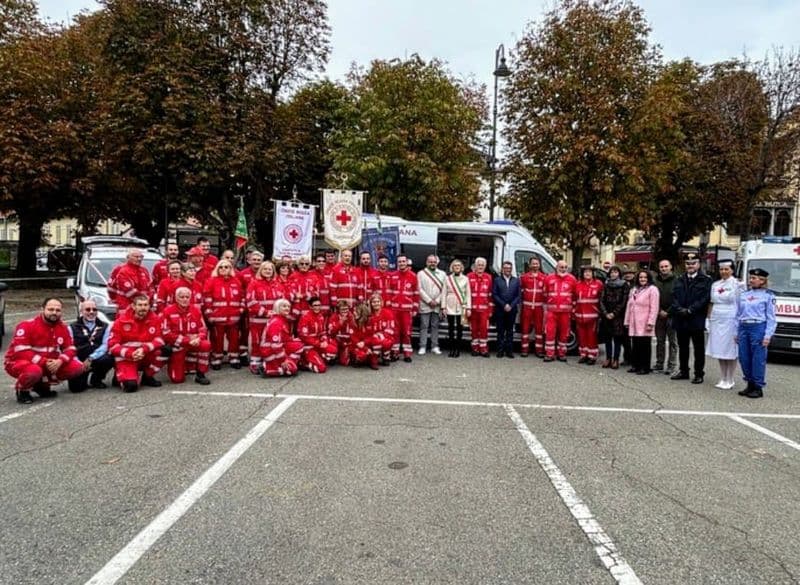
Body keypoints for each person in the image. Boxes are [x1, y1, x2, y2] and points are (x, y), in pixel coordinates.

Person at [4, 298, 84, 403]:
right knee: (34, 371)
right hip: (19, 362)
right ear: (42, 309)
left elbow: (70, 348)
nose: (54, 312)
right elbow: (22, 351)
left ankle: (41, 385)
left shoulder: (62, 327)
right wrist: (44, 362)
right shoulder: (26, 326)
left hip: (47, 363)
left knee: (77, 367)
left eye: (58, 310)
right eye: (51, 309)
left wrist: (60, 361)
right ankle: (22, 390)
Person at [108, 295, 165, 392]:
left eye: (146, 305)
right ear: (133, 306)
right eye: (140, 305)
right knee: (131, 387)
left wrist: (144, 349)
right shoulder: (121, 321)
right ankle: (119, 375)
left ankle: (147, 376)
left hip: (145, 354)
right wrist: (130, 354)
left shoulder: (155, 319)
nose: (143, 308)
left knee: (165, 350)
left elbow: (160, 339)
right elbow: (112, 345)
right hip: (127, 358)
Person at [735, 268, 777, 399]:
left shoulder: (768, 296)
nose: (751, 280)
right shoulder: (744, 295)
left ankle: (758, 387)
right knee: (744, 357)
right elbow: (738, 314)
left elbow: (771, 318)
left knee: (758, 359)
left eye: (754, 278)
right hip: (744, 326)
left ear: (762, 281)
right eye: (751, 278)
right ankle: (750, 384)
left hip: (758, 327)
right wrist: (736, 331)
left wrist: (767, 335)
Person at [670, 253, 712, 384]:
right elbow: (674, 297)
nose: (690, 266)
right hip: (681, 318)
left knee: (698, 348)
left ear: (698, 264)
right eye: (688, 263)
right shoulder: (679, 279)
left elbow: (705, 298)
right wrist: (679, 309)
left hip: (696, 318)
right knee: (683, 347)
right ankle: (684, 371)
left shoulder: (706, 280)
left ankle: (699, 373)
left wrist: (690, 310)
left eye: (693, 263)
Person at [161, 287, 211, 385]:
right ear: (176, 298)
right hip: (177, 345)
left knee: (206, 344)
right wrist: (187, 340)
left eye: (187, 297)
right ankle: (177, 363)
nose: (185, 299)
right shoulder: (168, 311)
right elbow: (166, 333)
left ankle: (200, 374)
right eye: (182, 297)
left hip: (193, 342)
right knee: (177, 380)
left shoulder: (196, 310)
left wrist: (198, 338)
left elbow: (203, 329)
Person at [706, 259, 742, 389]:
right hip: (717, 317)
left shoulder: (737, 284)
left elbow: (740, 304)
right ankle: (723, 377)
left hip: (730, 318)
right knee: (719, 349)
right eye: (721, 269)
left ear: (732, 270)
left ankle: (730, 378)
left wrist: (739, 322)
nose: (724, 271)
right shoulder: (715, 284)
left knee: (730, 349)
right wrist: (708, 318)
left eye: (726, 269)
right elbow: (712, 302)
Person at [246, 261, 288, 374]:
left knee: (271, 341)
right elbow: (251, 301)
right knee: (257, 340)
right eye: (265, 269)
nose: (268, 271)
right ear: (261, 270)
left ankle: (268, 361)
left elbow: (282, 301)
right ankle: (255, 361)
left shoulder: (278, 284)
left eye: (270, 269)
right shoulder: (254, 283)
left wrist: (278, 313)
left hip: (274, 320)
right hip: (258, 319)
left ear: (273, 271)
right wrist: (265, 312)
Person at [202, 259, 245, 370]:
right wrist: (209, 315)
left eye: (226, 267)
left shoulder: (236, 281)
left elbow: (242, 297)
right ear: (217, 268)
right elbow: (207, 300)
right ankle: (217, 359)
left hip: (234, 317)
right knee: (217, 340)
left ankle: (234, 358)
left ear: (231, 269)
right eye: (221, 267)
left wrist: (241, 309)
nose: (223, 269)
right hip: (218, 318)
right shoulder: (211, 281)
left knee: (234, 339)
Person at [68, 299, 114, 393]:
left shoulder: (105, 326)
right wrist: (78, 363)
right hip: (79, 360)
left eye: (94, 309)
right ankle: (83, 377)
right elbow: (69, 347)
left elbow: (105, 345)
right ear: (81, 311)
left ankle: (96, 379)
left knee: (109, 357)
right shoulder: (71, 327)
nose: (91, 312)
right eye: (88, 309)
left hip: (96, 358)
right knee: (76, 389)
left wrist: (91, 358)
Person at [624, 270, 660, 375]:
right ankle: (636, 365)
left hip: (645, 322)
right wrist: (627, 321)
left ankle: (645, 367)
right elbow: (629, 306)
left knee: (644, 345)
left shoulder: (653, 289)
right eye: (640, 277)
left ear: (649, 278)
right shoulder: (634, 289)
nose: (642, 279)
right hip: (634, 321)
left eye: (645, 277)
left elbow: (654, 307)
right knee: (635, 344)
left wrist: (651, 322)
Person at [543, 260, 577, 362]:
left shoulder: (572, 279)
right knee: (550, 333)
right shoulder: (549, 278)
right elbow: (545, 294)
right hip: (552, 311)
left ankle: (561, 354)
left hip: (565, 312)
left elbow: (575, 295)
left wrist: (573, 309)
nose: (563, 269)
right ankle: (549, 354)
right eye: (561, 267)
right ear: (556, 267)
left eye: (565, 267)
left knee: (564, 333)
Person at [260, 299, 303, 377]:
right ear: (277, 308)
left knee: (299, 345)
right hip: (270, 351)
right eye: (284, 306)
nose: (287, 308)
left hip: (274, 349)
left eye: (288, 306)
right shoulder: (277, 322)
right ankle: (268, 368)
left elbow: (284, 338)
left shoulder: (281, 319)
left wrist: (292, 340)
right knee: (291, 370)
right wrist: (283, 360)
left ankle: (284, 365)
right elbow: (275, 345)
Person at [388, 255, 418, 362]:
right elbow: (389, 292)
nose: (401, 263)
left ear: (406, 262)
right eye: (399, 261)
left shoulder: (413, 276)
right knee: (395, 332)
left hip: (407, 310)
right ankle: (395, 353)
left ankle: (407, 353)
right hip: (394, 309)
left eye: (403, 261)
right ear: (397, 263)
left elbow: (416, 293)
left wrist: (415, 308)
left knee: (407, 332)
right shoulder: (393, 275)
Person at [599, 266, 630, 369]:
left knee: (617, 339)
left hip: (618, 316)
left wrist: (614, 313)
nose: (613, 274)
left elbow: (624, 301)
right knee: (607, 338)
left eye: (615, 272)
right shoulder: (606, 285)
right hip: (606, 315)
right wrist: (605, 313)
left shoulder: (624, 285)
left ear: (619, 274)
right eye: (611, 272)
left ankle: (616, 359)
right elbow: (601, 300)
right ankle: (608, 358)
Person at [297, 297, 337, 372]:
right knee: (321, 368)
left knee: (333, 350)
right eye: (315, 305)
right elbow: (304, 337)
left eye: (319, 305)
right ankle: (303, 362)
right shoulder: (305, 317)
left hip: (318, 345)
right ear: (310, 306)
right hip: (309, 346)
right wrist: (318, 344)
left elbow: (323, 332)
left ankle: (317, 358)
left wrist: (324, 340)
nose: (317, 307)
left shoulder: (320, 316)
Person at [574, 266, 603, 365]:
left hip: (592, 316)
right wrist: (574, 311)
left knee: (592, 337)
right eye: (585, 272)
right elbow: (574, 299)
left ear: (593, 273)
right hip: (579, 315)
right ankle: (583, 355)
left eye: (589, 272)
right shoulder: (578, 284)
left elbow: (601, 300)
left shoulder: (598, 284)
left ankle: (592, 356)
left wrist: (600, 313)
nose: (587, 274)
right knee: (582, 336)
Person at [417, 255, 446, 355]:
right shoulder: (421, 273)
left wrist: (437, 301)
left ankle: (434, 346)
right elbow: (419, 289)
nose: (432, 263)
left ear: (437, 263)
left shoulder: (442, 274)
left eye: (434, 262)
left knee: (435, 326)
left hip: (437, 305)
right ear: (426, 262)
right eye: (430, 262)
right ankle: (422, 346)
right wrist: (429, 300)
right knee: (424, 326)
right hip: (425, 304)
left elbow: (444, 289)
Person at [442, 259, 471, 357]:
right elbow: (444, 293)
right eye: (455, 265)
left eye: (459, 265)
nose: (457, 267)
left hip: (461, 305)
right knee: (450, 328)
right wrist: (443, 307)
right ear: (452, 267)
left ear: (461, 267)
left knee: (459, 328)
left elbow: (468, 294)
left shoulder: (465, 279)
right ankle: (451, 349)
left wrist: (468, 308)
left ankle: (457, 349)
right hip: (450, 304)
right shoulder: (447, 278)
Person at [653, 259, 678, 375]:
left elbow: (678, 298)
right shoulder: (655, 281)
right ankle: (659, 364)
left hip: (672, 315)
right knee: (660, 341)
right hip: (658, 315)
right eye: (661, 267)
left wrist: (668, 312)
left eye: (666, 266)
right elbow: (652, 298)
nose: (664, 268)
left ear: (670, 267)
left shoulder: (677, 280)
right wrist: (659, 310)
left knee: (673, 342)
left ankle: (671, 365)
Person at [492, 260, 520, 358]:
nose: (508, 270)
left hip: (512, 310)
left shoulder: (516, 280)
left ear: (511, 269)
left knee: (510, 331)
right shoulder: (497, 280)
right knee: (500, 331)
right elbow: (494, 294)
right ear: (502, 269)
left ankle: (509, 351)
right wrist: (504, 305)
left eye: (509, 268)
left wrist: (511, 305)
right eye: (506, 268)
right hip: (500, 309)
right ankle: (500, 351)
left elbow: (518, 295)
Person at [519, 256, 546, 358]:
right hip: (527, 306)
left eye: (537, 263)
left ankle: (539, 350)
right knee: (525, 328)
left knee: (539, 329)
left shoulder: (544, 277)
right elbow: (520, 292)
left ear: (539, 265)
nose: (535, 265)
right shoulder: (524, 277)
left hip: (539, 307)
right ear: (530, 265)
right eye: (533, 263)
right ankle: (524, 350)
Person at [467, 257, 493, 357]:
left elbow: (490, 295)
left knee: (484, 329)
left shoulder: (488, 277)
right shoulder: (469, 276)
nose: (480, 266)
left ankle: (483, 349)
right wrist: (467, 308)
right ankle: (475, 348)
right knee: (473, 329)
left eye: (482, 265)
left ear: (485, 266)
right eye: (479, 265)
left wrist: (490, 310)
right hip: (472, 309)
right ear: (475, 265)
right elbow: (466, 294)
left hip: (484, 310)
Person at [289, 255, 324, 320]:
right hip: (295, 308)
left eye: (306, 264)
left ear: (309, 265)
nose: (304, 265)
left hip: (309, 307)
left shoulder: (314, 277)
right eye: (301, 264)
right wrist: (295, 295)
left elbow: (317, 293)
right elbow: (289, 290)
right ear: (298, 265)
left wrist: (304, 295)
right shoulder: (292, 276)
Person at [367, 293, 396, 365]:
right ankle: (374, 355)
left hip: (385, 337)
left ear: (381, 302)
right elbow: (366, 329)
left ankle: (386, 356)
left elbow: (390, 329)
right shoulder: (368, 314)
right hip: (372, 337)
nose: (376, 304)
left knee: (387, 342)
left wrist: (380, 336)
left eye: (378, 301)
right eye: (374, 302)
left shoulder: (388, 313)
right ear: (370, 303)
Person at [328, 300, 356, 365]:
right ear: (338, 310)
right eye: (342, 309)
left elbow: (354, 332)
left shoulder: (351, 316)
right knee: (331, 349)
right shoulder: (333, 317)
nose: (345, 311)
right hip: (337, 340)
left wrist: (348, 344)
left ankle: (348, 353)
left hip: (347, 341)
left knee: (345, 362)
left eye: (346, 309)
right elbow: (331, 332)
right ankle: (335, 355)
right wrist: (340, 322)